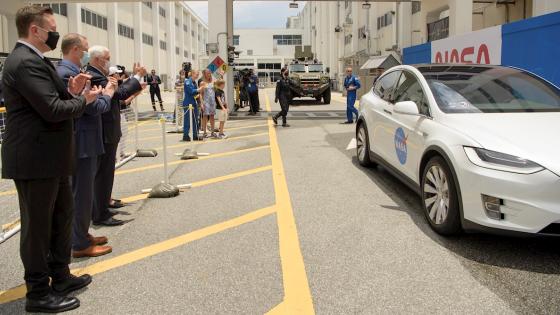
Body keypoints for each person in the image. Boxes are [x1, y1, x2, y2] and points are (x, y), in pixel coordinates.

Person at [1, 5, 103, 313]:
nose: (55, 34)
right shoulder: (23, 63)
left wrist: (71, 92)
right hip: (35, 160)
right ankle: (37, 293)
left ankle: (60, 276)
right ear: (35, 30)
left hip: (52, 158)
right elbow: (53, 110)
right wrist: (81, 100)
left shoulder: (37, 61)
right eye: (51, 28)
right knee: (37, 229)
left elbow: (54, 102)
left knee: (60, 219)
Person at [56, 33, 116, 259]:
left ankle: (81, 234)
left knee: (83, 192)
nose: (86, 54)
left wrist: (99, 97)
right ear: (74, 50)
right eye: (85, 50)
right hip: (82, 142)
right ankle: (79, 242)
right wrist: (107, 95)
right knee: (81, 194)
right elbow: (91, 106)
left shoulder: (73, 72)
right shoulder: (67, 73)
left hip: (86, 140)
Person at [86, 45, 145, 227]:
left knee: (105, 174)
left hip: (107, 131)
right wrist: (136, 78)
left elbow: (117, 93)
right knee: (103, 175)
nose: (109, 61)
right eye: (107, 58)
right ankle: (100, 213)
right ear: (97, 59)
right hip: (104, 132)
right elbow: (119, 94)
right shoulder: (94, 75)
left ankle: (102, 207)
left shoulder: (99, 74)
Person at [183, 69, 203, 141]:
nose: (197, 75)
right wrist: (198, 90)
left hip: (194, 103)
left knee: (195, 120)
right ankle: (185, 135)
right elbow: (190, 91)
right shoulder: (187, 81)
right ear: (192, 74)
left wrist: (199, 102)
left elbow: (196, 93)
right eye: (196, 74)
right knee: (187, 120)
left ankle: (195, 135)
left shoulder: (194, 82)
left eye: (198, 74)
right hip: (188, 103)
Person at [200, 69, 217, 138]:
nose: (209, 74)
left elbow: (217, 88)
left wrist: (221, 75)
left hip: (212, 102)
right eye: (207, 73)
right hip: (206, 102)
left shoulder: (213, 82)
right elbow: (200, 94)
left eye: (210, 73)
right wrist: (201, 103)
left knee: (212, 116)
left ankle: (212, 132)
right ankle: (204, 132)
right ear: (204, 74)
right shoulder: (202, 83)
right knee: (205, 117)